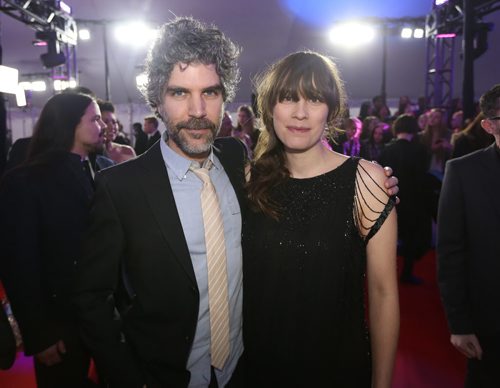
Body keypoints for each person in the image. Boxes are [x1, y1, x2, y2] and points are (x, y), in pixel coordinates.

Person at [72, 18, 400, 388]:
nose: (197, 109)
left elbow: (380, 291)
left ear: (225, 97)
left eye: (210, 92)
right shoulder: (121, 187)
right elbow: (91, 298)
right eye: (180, 93)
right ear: (157, 101)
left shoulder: (237, 163)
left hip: (248, 371)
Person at [242, 51, 399, 387]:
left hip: (337, 369)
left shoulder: (367, 181)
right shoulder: (248, 181)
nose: (300, 112)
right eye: (287, 98)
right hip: (257, 368)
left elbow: (384, 293)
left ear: (331, 109)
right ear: (270, 108)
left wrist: (382, 383)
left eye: (314, 98)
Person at [0, 93, 106, 387]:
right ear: (70, 123)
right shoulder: (25, 180)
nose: (103, 125)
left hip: (106, 318)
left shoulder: (103, 169)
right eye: (94, 118)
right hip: (59, 325)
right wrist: (39, 335)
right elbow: (20, 264)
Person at [437, 84, 500, 387]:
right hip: (490, 321)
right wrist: (459, 324)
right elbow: (450, 252)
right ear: (489, 126)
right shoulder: (463, 172)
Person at [379, 114, 431, 284]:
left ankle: (384, 276)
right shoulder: (421, 150)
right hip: (414, 202)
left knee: (388, 239)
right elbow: (423, 178)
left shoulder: (386, 150)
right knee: (410, 239)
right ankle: (406, 274)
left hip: (390, 200)